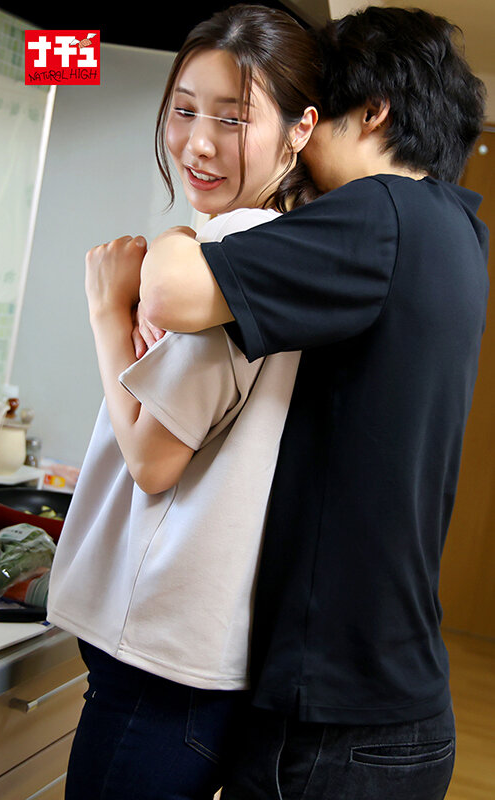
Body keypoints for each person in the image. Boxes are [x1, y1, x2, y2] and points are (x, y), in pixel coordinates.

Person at [131, 6, 490, 799]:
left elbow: (169, 292)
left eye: (316, 111)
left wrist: (186, 236)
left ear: (374, 111)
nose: (302, 131)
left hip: (336, 722)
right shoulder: (459, 232)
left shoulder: (381, 211)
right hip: (399, 709)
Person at [46, 5, 321, 799]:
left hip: (156, 672)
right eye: (184, 110)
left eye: (232, 119)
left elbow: (152, 460)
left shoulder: (233, 255)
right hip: (193, 664)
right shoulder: (291, 250)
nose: (198, 143)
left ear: (300, 130)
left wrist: (106, 308)